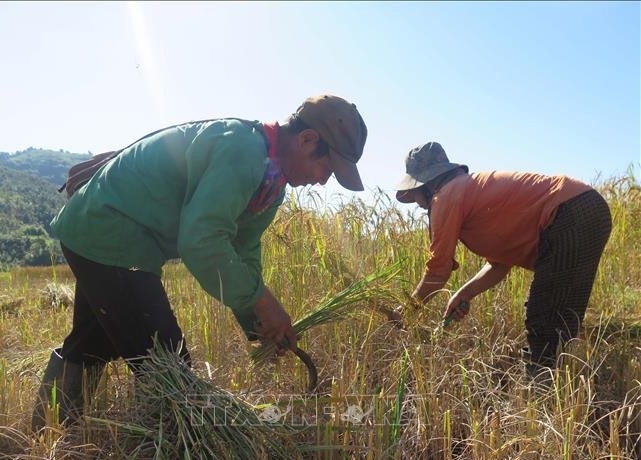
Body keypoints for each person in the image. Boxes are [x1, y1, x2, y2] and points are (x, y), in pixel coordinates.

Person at [31, 94, 368, 431]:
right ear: (307, 140)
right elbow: (202, 241)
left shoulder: (273, 184)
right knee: (168, 368)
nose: (324, 180)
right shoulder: (243, 151)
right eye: (327, 167)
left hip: (104, 232)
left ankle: (50, 436)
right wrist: (263, 300)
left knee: (91, 342)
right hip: (108, 231)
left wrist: (260, 322)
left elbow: (243, 246)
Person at [392, 141, 611, 378]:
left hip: (569, 211)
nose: (413, 199)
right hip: (586, 207)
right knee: (560, 310)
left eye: (413, 190)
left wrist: (407, 310)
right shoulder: (468, 191)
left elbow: (437, 272)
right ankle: (560, 383)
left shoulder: (445, 196)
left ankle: (542, 389)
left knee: (545, 316)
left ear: (427, 182)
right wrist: (464, 293)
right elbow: (499, 265)